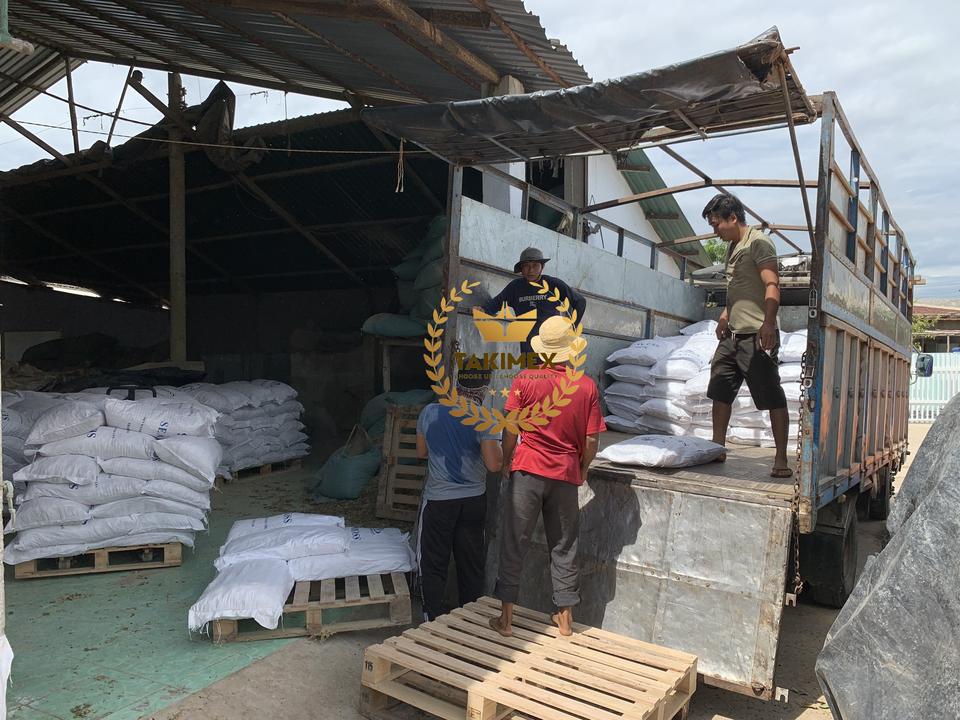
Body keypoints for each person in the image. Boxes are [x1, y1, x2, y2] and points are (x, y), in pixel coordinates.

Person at [489, 315, 606, 637]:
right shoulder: (586, 386)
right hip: (565, 475)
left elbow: (510, 429)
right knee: (564, 546)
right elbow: (592, 440)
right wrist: (582, 468)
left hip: (528, 471)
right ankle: (565, 620)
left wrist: (507, 461)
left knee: (514, 543)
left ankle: (506, 621)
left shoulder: (525, 379)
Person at [701, 193, 791, 478]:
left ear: (732, 218)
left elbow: (772, 284)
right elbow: (738, 289)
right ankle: (717, 447)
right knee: (720, 389)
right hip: (732, 335)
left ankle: (780, 458)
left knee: (771, 395)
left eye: (716, 224)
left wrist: (769, 323)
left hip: (756, 335)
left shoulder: (758, 243)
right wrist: (724, 317)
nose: (715, 231)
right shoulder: (732, 247)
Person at [415, 367, 502, 621]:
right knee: (470, 563)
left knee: (433, 563)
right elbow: (493, 465)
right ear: (484, 388)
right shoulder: (486, 417)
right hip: (473, 502)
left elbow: (421, 452)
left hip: (439, 501)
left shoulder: (430, 412)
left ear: (457, 384)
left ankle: (432, 619)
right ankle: (470, 618)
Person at [481, 247, 587, 357]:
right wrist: (483, 309)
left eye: (535, 265)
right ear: (521, 269)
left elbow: (580, 301)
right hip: (528, 350)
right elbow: (496, 303)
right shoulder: (515, 288)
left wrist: (571, 328)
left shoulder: (552, 284)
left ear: (542, 267)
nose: (531, 270)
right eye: (526, 266)